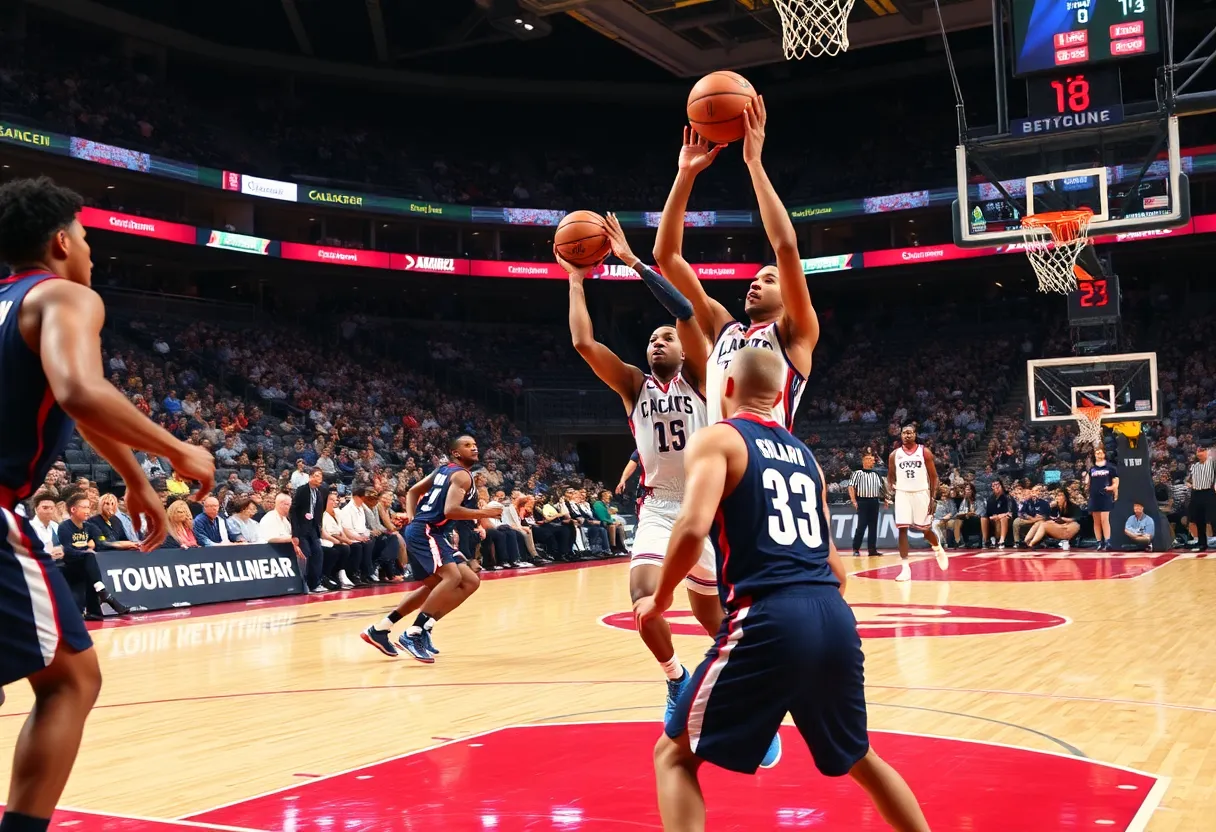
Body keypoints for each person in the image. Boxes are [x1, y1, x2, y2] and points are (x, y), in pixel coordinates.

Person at [635, 348, 929, 832]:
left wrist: (661, 597)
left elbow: (690, 528)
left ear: (725, 389)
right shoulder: (806, 457)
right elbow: (838, 569)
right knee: (863, 759)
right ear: (776, 396)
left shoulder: (718, 438)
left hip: (770, 616)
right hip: (832, 615)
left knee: (673, 756)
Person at [0, 175, 214, 832]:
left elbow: (72, 405)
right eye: (88, 236)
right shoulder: (65, 293)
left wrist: (136, 478)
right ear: (62, 242)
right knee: (71, 681)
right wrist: (178, 452)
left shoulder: (8, 302)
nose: (92, 250)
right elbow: (81, 390)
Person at [560, 215, 787, 763]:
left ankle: (741, 700)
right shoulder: (634, 385)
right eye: (652, 339)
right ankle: (675, 679)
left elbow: (685, 311)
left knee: (723, 626)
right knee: (643, 604)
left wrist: (634, 264)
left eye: (666, 338)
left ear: (686, 350)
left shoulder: (708, 375)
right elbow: (584, 342)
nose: (658, 342)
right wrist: (574, 278)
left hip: (713, 510)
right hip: (661, 509)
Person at [653, 102, 819, 430]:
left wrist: (753, 162)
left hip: (764, 466)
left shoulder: (795, 332)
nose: (755, 283)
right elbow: (666, 257)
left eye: (769, 280)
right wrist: (685, 175)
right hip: (719, 465)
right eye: (755, 279)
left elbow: (785, 248)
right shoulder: (725, 329)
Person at [360, 436, 500, 662]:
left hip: (431, 532)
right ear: (455, 453)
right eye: (467, 445)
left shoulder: (443, 470)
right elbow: (451, 510)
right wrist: (485, 514)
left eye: (475, 443)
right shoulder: (462, 475)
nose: (474, 447)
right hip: (427, 531)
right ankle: (413, 633)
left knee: (463, 582)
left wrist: (415, 519)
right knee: (452, 577)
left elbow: (413, 491)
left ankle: (383, 629)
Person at [886, 426, 949, 582]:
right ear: (900, 435)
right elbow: (890, 476)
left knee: (925, 531)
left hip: (921, 493)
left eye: (910, 432)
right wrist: (890, 490)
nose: (907, 435)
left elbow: (934, 477)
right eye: (904, 433)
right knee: (902, 529)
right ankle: (905, 568)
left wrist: (933, 498)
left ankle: (938, 548)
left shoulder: (924, 452)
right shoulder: (894, 455)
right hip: (902, 494)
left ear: (915, 435)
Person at [848, 452, 886, 556]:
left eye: (873, 460)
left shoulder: (876, 474)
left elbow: (882, 489)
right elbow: (851, 487)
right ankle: (856, 549)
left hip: (874, 501)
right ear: (864, 461)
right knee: (861, 526)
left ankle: (872, 550)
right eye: (870, 459)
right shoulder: (857, 473)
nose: (873, 461)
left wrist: (886, 499)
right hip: (862, 501)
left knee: (873, 527)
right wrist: (854, 501)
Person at [1084, 446, 1119, 551]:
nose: (1098, 454)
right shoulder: (1092, 469)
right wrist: (1085, 481)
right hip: (1094, 496)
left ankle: (1108, 541)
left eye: (1100, 452)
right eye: (1097, 452)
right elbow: (1087, 483)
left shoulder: (1111, 468)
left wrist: (1110, 488)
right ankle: (1099, 542)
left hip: (1105, 495)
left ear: (1104, 454)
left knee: (1105, 519)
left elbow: (1116, 483)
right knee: (1096, 521)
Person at [1186, 446, 1215, 551]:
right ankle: (1202, 543)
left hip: (1209, 492)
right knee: (1199, 519)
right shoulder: (1194, 466)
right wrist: (1188, 483)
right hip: (1197, 493)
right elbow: (1188, 479)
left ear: (1207, 453)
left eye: (1202, 451)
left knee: (1212, 517)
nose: (1199, 454)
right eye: (1198, 452)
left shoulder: (1212, 463)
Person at [981, 480, 1014, 548]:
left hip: (1007, 519)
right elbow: (988, 513)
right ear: (992, 488)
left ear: (1001, 486)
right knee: (983, 518)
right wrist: (992, 517)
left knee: (1003, 518)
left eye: (998, 485)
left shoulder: (1007, 496)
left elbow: (1010, 512)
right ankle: (985, 541)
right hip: (994, 518)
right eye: (994, 485)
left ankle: (1002, 541)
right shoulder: (990, 498)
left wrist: (999, 516)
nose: (996, 487)